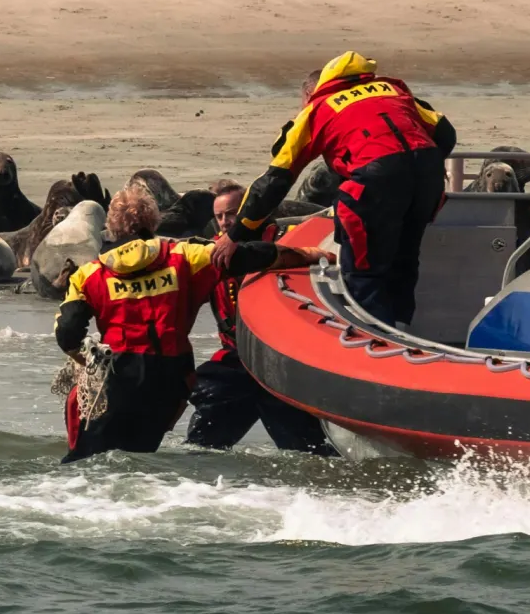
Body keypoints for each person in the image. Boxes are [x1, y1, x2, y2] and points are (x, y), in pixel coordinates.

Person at [57, 188, 331, 463]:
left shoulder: (88, 274)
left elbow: (67, 332)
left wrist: (82, 360)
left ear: (112, 228)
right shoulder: (186, 255)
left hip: (119, 375)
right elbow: (251, 255)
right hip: (171, 380)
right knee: (139, 458)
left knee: (89, 462)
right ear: (153, 221)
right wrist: (308, 253)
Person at [222, 52, 457, 328]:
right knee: (404, 258)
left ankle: (378, 343)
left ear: (310, 94)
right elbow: (446, 133)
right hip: (427, 176)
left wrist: (236, 235)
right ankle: (402, 327)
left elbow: (275, 179)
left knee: (364, 272)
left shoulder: (317, 109)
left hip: (376, 179)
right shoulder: (391, 90)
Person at [185, 186, 338, 456]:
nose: (225, 222)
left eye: (232, 214)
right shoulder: (209, 253)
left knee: (310, 454)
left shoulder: (289, 243)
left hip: (278, 363)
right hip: (235, 363)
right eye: (219, 216)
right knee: (201, 452)